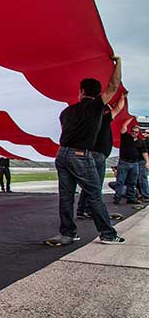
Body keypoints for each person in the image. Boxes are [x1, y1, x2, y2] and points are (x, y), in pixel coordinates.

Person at [51, 57, 124, 245]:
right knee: (94, 195)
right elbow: (114, 85)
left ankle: (68, 233)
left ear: (81, 92)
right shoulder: (96, 107)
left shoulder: (66, 113)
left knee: (66, 197)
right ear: (97, 94)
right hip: (80, 156)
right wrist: (118, 62)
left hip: (62, 154)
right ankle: (107, 234)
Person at [77, 94, 125, 219]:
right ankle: (88, 210)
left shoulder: (90, 120)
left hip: (92, 154)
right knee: (95, 185)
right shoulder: (103, 119)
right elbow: (119, 108)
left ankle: (83, 209)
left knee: (90, 184)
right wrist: (122, 96)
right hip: (97, 156)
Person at [114, 117, 147, 205]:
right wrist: (130, 118)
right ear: (130, 130)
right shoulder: (126, 137)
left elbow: (144, 152)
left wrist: (148, 162)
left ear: (138, 133)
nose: (134, 133)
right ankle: (117, 197)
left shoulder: (141, 142)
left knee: (132, 182)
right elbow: (124, 127)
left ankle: (131, 197)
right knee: (120, 181)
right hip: (124, 162)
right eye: (133, 131)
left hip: (135, 163)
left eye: (136, 132)